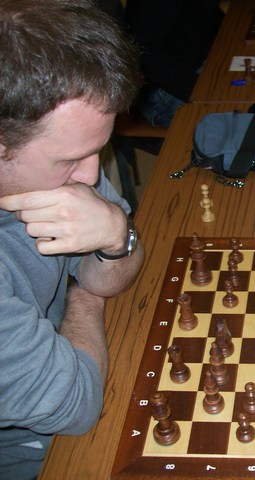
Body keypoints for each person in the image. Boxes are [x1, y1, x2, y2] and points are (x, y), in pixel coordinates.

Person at [0, 1, 144, 478]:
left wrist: (114, 234)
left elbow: (120, 268)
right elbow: (77, 406)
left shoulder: (65, 165)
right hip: (32, 449)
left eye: (98, 150)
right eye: (70, 160)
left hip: (80, 358)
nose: (91, 175)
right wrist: (85, 296)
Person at [123, 0, 225, 127]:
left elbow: (208, 15)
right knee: (234, 112)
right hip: (165, 92)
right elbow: (144, 56)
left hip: (193, 66)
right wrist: (202, 89)